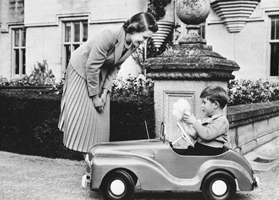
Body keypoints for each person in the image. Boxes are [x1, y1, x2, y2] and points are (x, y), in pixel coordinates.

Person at [58, 12, 158, 155]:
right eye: (145, 37)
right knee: (85, 118)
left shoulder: (133, 44)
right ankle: (87, 159)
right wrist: (94, 97)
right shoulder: (109, 34)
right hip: (81, 69)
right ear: (135, 29)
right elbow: (91, 66)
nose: (145, 41)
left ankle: (96, 160)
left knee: (100, 119)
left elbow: (115, 68)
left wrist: (105, 92)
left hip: (100, 71)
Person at [182, 86, 229, 156]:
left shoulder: (222, 121)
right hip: (202, 149)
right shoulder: (207, 118)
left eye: (204, 102)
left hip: (211, 152)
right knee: (180, 152)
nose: (202, 106)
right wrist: (187, 128)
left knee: (183, 157)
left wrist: (195, 122)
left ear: (216, 104)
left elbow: (207, 135)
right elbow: (197, 136)